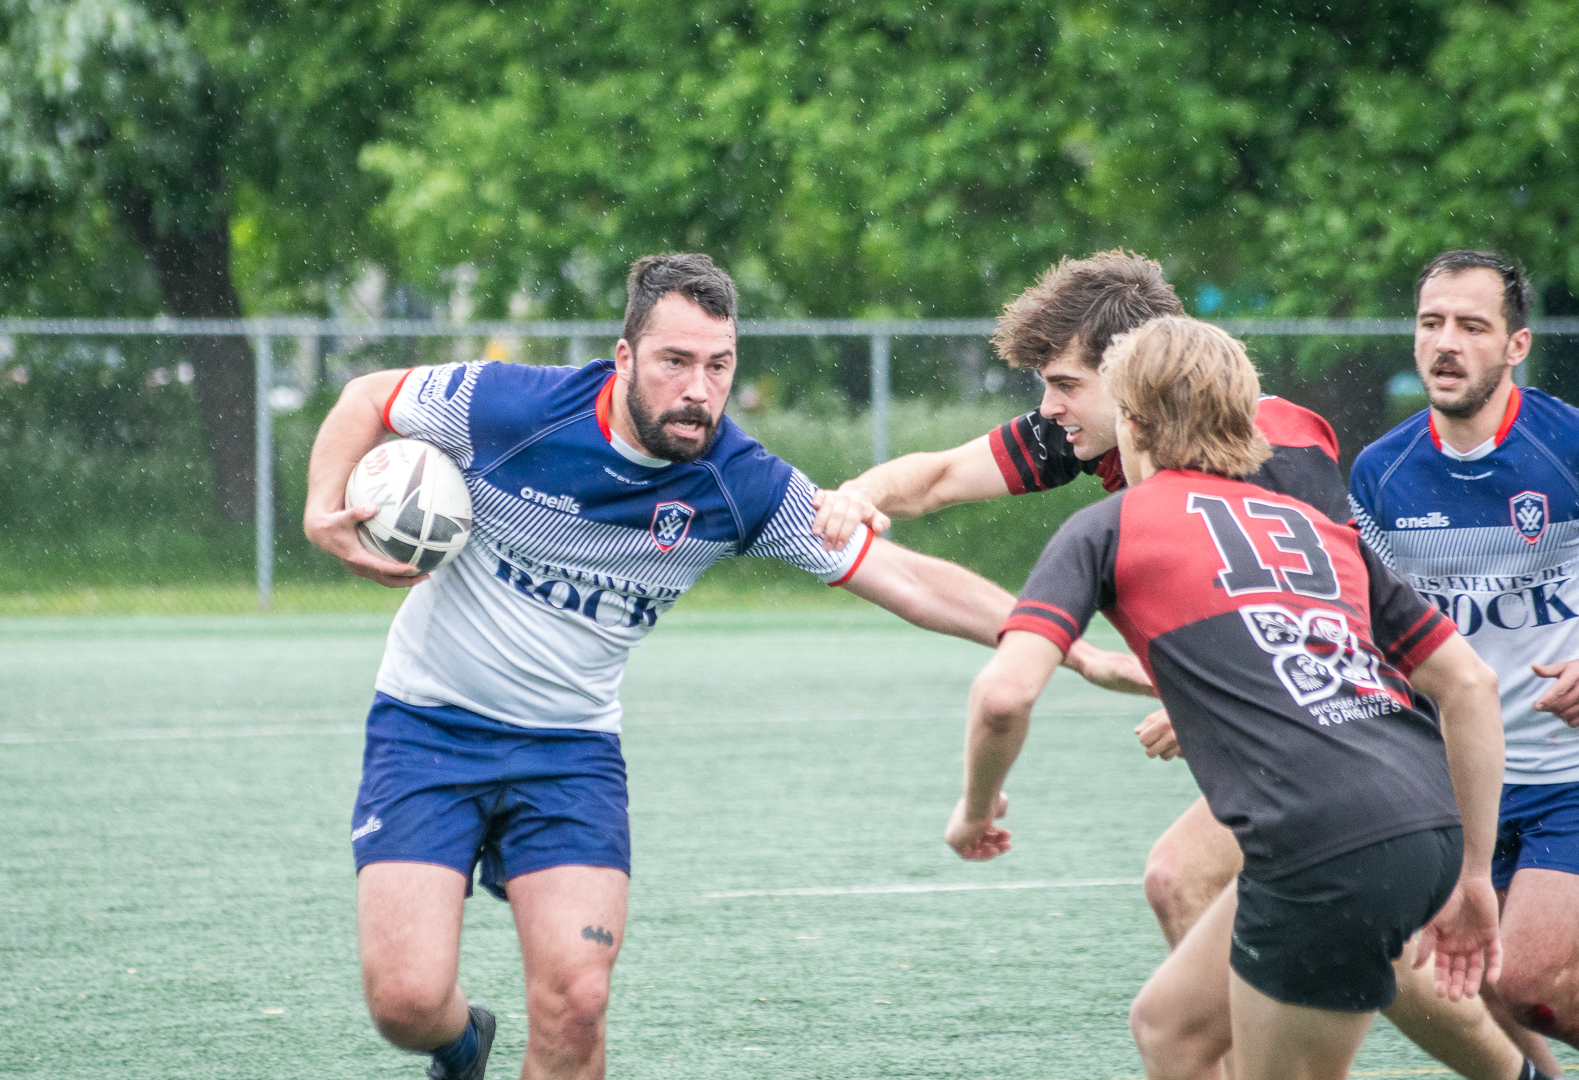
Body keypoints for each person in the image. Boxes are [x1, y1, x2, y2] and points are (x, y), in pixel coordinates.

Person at [813, 250, 1535, 1080]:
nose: (1048, 411)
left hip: (1356, 711)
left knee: (1302, 899)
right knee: (1220, 937)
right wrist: (856, 493)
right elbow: (937, 477)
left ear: (1129, 378)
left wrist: (1223, 689)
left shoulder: (1275, 444)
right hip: (1354, 756)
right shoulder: (1099, 433)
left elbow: (1316, 613)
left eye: (1063, 384)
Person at [302, 253, 1019, 1080]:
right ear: (624, 358)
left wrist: (1054, 636)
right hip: (428, 725)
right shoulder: (511, 405)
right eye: (676, 361)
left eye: (719, 366)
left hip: (569, 754)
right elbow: (369, 397)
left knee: (578, 1003)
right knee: (406, 1005)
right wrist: (326, 512)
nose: (699, 389)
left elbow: (906, 576)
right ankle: (463, 1044)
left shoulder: (738, 482)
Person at [1351, 249, 1579, 1062]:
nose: (1445, 343)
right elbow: (1364, 625)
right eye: (1430, 323)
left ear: (1516, 346)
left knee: (1530, 980)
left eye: (1472, 326)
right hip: (1456, 783)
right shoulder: (1382, 473)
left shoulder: (1569, 446)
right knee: (1476, 974)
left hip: (1567, 776)